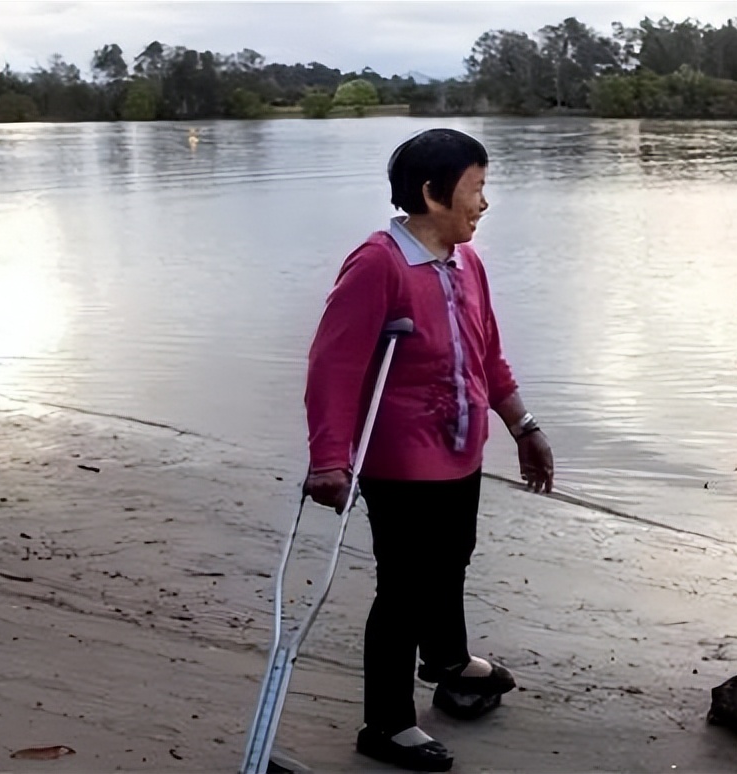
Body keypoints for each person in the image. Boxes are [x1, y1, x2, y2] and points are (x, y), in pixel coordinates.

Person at [303, 128, 554, 772]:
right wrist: (329, 459)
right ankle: (386, 723)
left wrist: (523, 426)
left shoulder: (468, 263)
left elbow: (488, 353)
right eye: (475, 189)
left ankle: (446, 660)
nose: (484, 203)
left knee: (451, 560)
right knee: (405, 586)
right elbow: (333, 366)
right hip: (400, 460)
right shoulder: (377, 263)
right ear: (431, 194)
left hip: (461, 449)